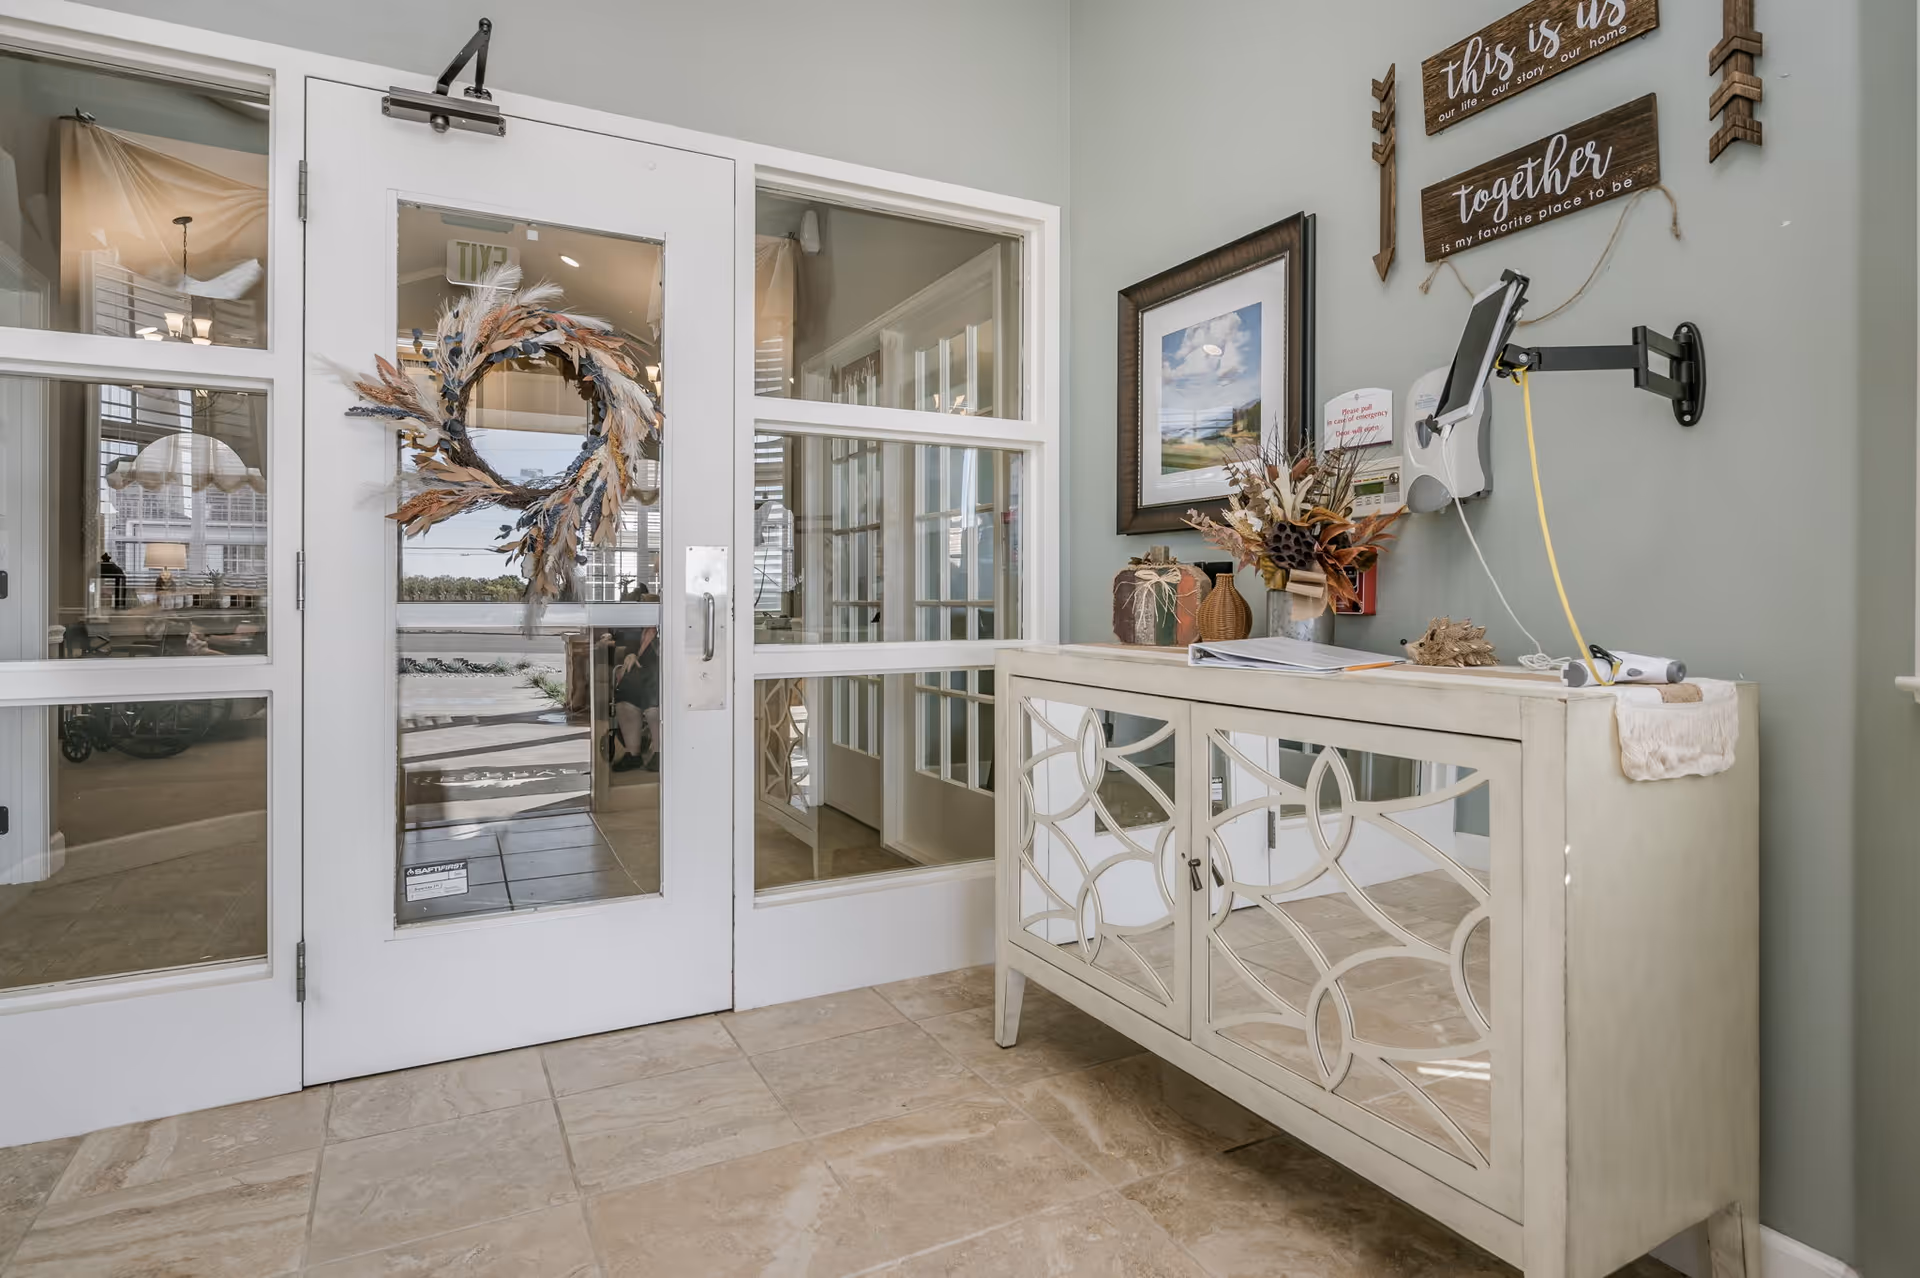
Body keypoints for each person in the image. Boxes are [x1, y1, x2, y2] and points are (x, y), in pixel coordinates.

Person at [606, 627, 659, 772]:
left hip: (667, 666)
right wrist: (631, 653)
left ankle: (660, 752)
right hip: (645, 666)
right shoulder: (645, 625)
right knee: (626, 693)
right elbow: (631, 637)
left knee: (652, 699)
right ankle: (633, 754)